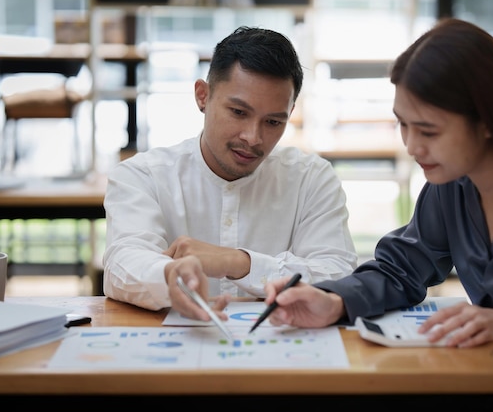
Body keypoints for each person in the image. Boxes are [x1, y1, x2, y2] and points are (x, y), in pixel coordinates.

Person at [255, 18, 493, 410]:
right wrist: (334, 301)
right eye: (403, 125)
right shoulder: (451, 189)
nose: (411, 146)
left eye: (428, 131)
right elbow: (401, 269)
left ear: (489, 121)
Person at [101, 26, 358, 317]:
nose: (253, 137)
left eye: (273, 122)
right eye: (238, 112)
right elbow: (122, 266)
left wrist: (239, 263)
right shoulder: (142, 176)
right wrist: (170, 276)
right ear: (202, 96)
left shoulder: (312, 179)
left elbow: (338, 275)